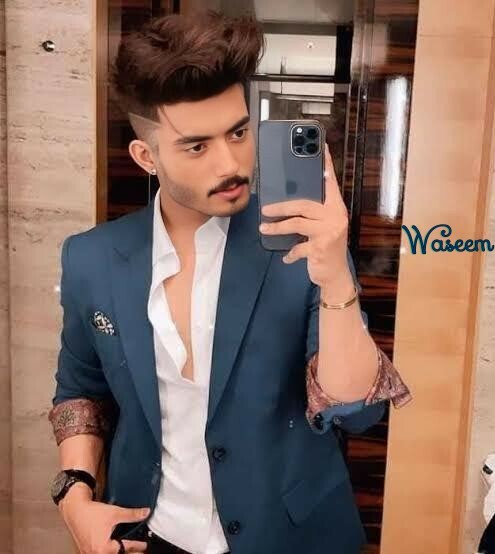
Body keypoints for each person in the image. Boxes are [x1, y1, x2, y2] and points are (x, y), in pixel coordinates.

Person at [48, 11, 412, 554]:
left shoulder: (300, 242)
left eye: (239, 132)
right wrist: (74, 495)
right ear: (147, 157)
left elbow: (356, 411)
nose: (231, 163)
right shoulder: (91, 258)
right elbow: (81, 389)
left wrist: (336, 276)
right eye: (196, 146)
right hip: (152, 531)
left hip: (290, 535)